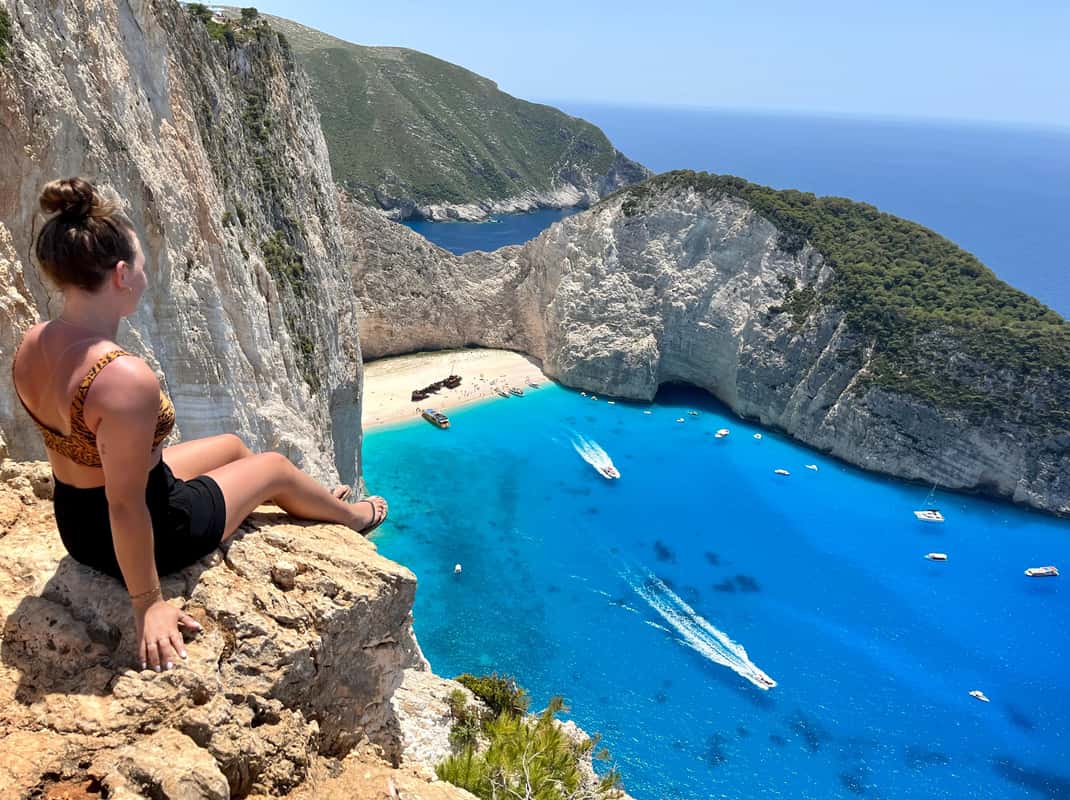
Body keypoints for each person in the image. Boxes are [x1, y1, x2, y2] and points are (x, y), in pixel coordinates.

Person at [11, 178, 388, 673]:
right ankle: (355, 518)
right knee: (272, 467)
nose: (146, 276)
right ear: (121, 275)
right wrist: (148, 604)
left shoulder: (34, 341)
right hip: (149, 528)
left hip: (75, 517)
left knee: (233, 445)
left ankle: (313, 498)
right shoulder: (121, 377)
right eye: (142, 265)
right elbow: (125, 503)